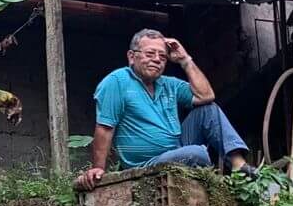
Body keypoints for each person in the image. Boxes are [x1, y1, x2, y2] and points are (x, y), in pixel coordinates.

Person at [76, 29, 251, 192]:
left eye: (162, 56)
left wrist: (185, 60)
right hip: (147, 164)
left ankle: (240, 168)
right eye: (150, 54)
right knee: (196, 153)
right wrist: (98, 168)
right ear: (131, 56)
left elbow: (206, 95)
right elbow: (105, 128)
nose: (157, 60)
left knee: (208, 110)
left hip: (176, 149)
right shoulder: (117, 82)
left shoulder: (168, 84)